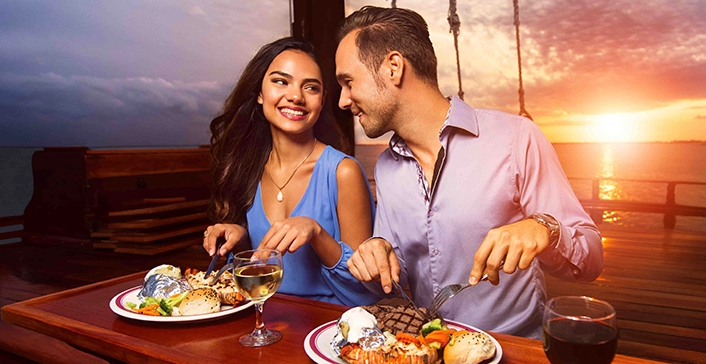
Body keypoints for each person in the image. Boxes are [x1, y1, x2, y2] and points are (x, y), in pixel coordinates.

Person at [335, 6, 605, 338]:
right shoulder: (388, 167)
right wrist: (378, 253)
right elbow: (401, 273)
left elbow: (592, 260)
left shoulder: (517, 139)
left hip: (515, 350)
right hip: (430, 348)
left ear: (394, 67)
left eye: (348, 82)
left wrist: (544, 228)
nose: (343, 101)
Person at [201, 37, 380, 307]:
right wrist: (237, 240)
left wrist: (317, 234)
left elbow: (366, 292)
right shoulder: (247, 167)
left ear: (321, 102)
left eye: (310, 87)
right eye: (281, 81)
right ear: (260, 93)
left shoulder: (343, 172)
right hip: (260, 325)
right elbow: (252, 276)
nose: (296, 96)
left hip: (327, 332)